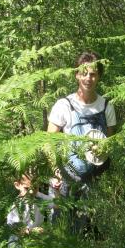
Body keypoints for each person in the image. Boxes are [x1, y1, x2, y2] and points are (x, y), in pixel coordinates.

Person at [47, 51, 116, 184]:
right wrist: (57, 171)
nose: (88, 78)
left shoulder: (107, 106)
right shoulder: (64, 105)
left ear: (99, 76)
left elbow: (110, 143)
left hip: (99, 179)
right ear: (77, 75)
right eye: (84, 73)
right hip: (69, 178)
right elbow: (49, 142)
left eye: (93, 74)